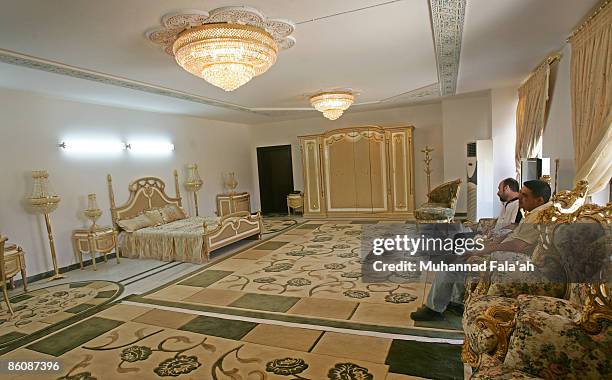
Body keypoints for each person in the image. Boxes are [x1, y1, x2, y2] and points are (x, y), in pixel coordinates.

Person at [410, 180, 552, 321]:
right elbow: (514, 234)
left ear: (539, 200)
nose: (520, 197)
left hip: (506, 258)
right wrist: (493, 240)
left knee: (451, 262)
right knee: (459, 250)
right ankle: (456, 301)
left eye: (524, 195)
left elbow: (517, 245)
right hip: (502, 252)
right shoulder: (537, 212)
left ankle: (434, 309)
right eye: (520, 193)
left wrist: (482, 251)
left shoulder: (539, 217)